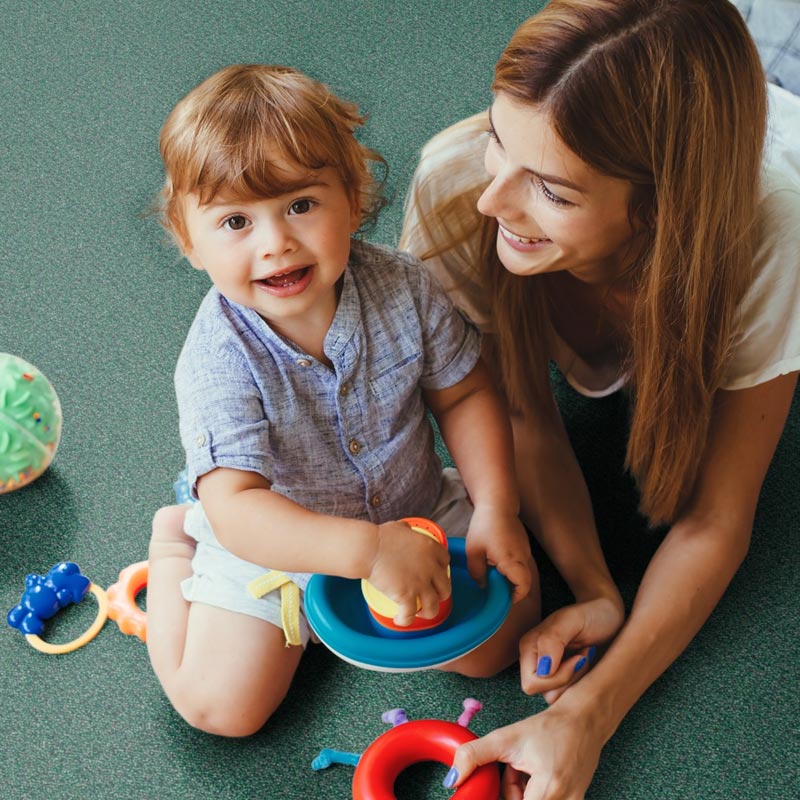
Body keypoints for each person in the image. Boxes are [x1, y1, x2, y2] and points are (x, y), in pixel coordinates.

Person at [400, 1, 800, 797]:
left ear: (657, 211)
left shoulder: (772, 234)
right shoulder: (453, 184)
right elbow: (520, 413)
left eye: (549, 189)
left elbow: (716, 519)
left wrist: (588, 714)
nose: (492, 202)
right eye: (497, 139)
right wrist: (594, 589)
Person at [145, 63, 540, 738]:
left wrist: (496, 508)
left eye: (300, 205)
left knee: (502, 642)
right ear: (189, 240)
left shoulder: (402, 287)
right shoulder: (218, 359)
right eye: (236, 221)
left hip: (412, 511)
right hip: (271, 546)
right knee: (221, 710)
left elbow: (467, 391)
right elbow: (239, 509)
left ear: (353, 198)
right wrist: (364, 553)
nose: (276, 243)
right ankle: (173, 542)